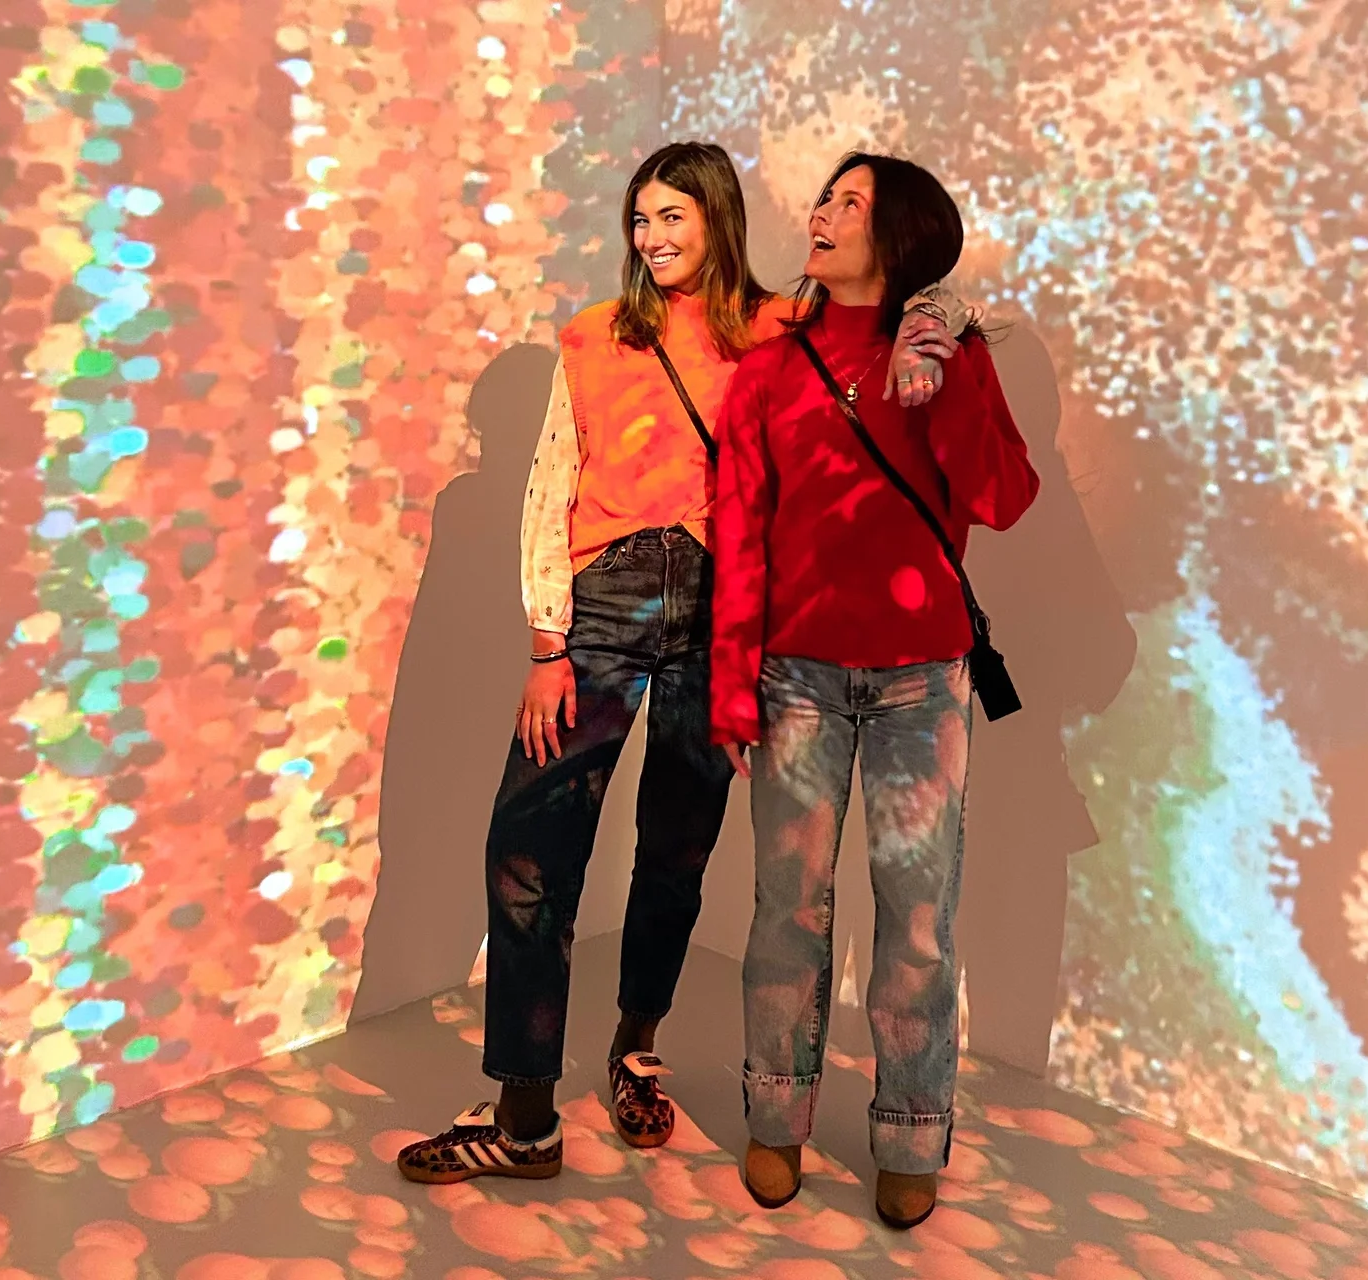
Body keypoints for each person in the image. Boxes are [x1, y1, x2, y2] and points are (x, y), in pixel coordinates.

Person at [396, 141, 963, 1185]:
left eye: (672, 217)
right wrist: (547, 643)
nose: (650, 238)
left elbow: (903, 297)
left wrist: (933, 325)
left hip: (722, 610)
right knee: (529, 853)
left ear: (716, 218)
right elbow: (552, 484)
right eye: (639, 219)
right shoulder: (595, 335)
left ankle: (635, 1048)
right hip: (604, 603)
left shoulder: (779, 326)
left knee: (675, 854)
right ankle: (524, 1113)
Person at [708, 152, 1040, 1228]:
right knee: (787, 911)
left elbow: (1003, 497)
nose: (823, 212)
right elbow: (741, 532)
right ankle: (774, 1115)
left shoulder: (951, 352)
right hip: (795, 678)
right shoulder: (770, 369)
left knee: (919, 921)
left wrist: (944, 374)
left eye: (851, 203)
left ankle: (909, 1130)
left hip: (921, 685)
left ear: (897, 236)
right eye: (827, 197)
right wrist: (731, 682)